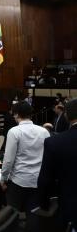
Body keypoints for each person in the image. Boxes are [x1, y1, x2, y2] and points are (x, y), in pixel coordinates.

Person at [0, 101, 50, 231]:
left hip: (18, 180)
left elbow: (8, 160)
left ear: (16, 115)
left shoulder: (14, 131)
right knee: (33, 213)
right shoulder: (44, 131)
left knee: (12, 214)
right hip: (37, 180)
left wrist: (3, 178)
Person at [38, 98, 77, 230]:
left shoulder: (54, 142)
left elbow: (45, 179)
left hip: (70, 208)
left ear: (66, 115)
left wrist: (44, 204)